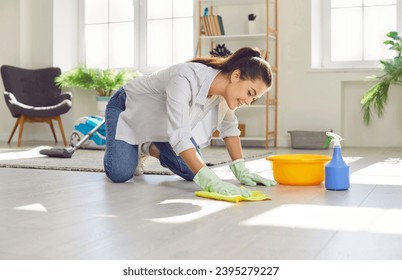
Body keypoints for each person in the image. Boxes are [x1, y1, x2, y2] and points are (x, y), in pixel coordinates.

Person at [103, 47, 276, 197]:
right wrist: (211, 181)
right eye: (250, 92)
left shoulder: (224, 95)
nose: (247, 101)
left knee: (189, 171)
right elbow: (179, 136)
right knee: (120, 173)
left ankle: (147, 147)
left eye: (253, 99)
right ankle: (138, 144)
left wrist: (241, 169)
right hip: (128, 107)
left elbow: (229, 128)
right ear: (236, 76)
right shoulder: (184, 78)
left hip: (163, 125)